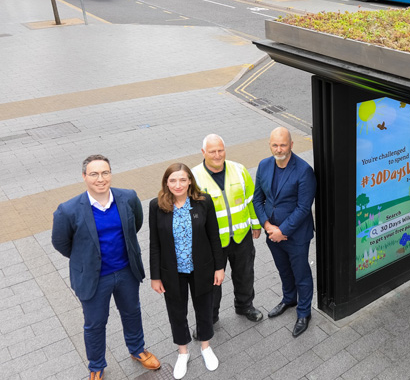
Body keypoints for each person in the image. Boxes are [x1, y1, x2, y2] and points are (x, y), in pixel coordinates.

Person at [52, 155, 160, 380]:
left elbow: (135, 225)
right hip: (94, 278)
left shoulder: (128, 197)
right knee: (95, 323)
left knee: (132, 313)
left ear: (110, 174)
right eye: (94, 174)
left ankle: (137, 349)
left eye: (105, 173)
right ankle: (96, 366)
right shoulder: (68, 210)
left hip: (126, 272)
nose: (100, 179)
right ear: (84, 177)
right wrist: (85, 258)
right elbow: (61, 243)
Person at [149, 163, 224, 379]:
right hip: (172, 272)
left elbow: (214, 237)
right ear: (166, 183)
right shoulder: (157, 206)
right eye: (172, 180)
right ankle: (183, 352)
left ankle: (206, 347)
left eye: (182, 179)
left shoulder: (203, 202)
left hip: (202, 268)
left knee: (204, 308)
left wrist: (219, 267)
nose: (178, 184)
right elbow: (154, 244)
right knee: (176, 312)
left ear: (190, 180)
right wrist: (155, 276)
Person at [191, 134, 264, 323]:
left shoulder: (239, 170)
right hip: (212, 242)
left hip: (242, 236)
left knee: (245, 274)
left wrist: (256, 225)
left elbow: (250, 200)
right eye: (212, 151)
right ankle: (211, 317)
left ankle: (245, 306)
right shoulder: (194, 177)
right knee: (213, 282)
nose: (217, 155)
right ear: (203, 152)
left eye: (220, 150)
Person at [253, 127, 317, 337]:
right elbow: (258, 199)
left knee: (301, 274)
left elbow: (303, 207)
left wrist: (283, 230)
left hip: (296, 235)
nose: (279, 149)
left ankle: (304, 313)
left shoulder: (304, 170)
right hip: (273, 234)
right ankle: (289, 299)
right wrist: (267, 226)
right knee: (283, 270)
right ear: (270, 145)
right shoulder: (263, 165)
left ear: (291, 144)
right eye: (275, 145)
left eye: (283, 144)